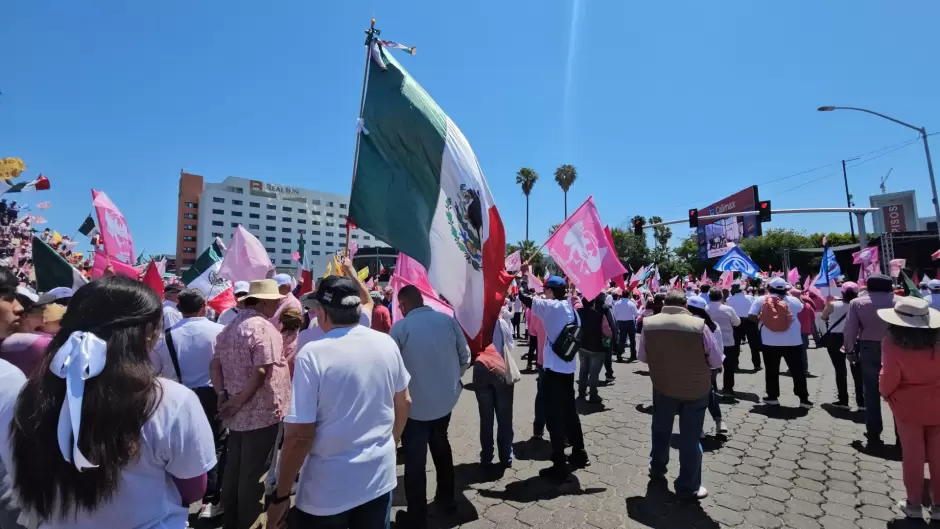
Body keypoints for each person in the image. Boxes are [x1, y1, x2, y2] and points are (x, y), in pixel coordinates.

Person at [2, 276, 216, 528]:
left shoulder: (29, 392)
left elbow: (20, 473)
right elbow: (193, 488)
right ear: (147, 333)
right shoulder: (171, 400)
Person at [264, 276, 411, 529]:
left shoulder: (313, 353)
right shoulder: (386, 343)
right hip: (379, 476)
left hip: (328, 490)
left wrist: (281, 494)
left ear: (321, 313)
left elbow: (299, 435)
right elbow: (405, 402)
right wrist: (390, 443)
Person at [209, 279, 292, 529]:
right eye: (275, 301)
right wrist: (236, 401)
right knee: (254, 474)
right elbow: (261, 370)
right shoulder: (263, 328)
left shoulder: (229, 326)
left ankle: (231, 519)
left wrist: (223, 395)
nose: (278, 304)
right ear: (265, 302)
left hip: (237, 411)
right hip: (261, 411)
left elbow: (215, 364)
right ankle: (250, 523)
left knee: (235, 469)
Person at [390, 285, 470, 528]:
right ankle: (447, 500)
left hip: (414, 409)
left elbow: (391, 371)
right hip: (445, 403)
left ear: (402, 306)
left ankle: (417, 516)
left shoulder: (401, 328)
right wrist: (451, 382)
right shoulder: (446, 321)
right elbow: (465, 356)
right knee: (441, 448)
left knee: (415, 461)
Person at [639, 290, 724, 500]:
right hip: (695, 390)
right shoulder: (699, 326)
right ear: (685, 304)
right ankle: (688, 485)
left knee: (660, 430)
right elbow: (716, 361)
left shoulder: (648, 323)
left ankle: (657, 468)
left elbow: (642, 357)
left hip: (663, 386)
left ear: (665, 303)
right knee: (691, 438)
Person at [151, 288, 227, 520]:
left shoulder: (165, 338)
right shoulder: (220, 331)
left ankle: (177, 494)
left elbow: (154, 370)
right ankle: (210, 499)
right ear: (204, 305)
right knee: (215, 445)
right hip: (213, 394)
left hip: (177, 395)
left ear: (178, 308)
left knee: (177, 445)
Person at [519, 276, 589, 481]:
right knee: (570, 415)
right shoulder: (572, 310)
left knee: (553, 418)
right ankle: (579, 453)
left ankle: (559, 463)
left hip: (553, 372)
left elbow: (524, 297)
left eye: (545, 289)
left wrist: (523, 277)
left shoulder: (551, 307)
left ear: (550, 291)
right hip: (568, 370)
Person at [877, 297, 940, 520]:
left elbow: (888, 377)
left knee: (913, 455)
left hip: (907, 407)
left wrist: (885, 393)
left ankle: (913, 504)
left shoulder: (891, 344)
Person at [844, 273, 898, 450]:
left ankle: (874, 431)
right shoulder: (901, 302)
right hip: (898, 347)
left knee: (871, 390)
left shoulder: (858, 303)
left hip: (869, 348)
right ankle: (902, 434)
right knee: (899, 391)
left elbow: (850, 330)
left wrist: (850, 351)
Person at [749, 278, 811, 409]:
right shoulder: (794, 301)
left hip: (769, 341)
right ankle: (804, 399)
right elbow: (800, 309)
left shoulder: (761, 300)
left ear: (769, 288)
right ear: (785, 289)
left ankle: (772, 397)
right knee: (797, 371)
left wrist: (764, 319)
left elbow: (751, 316)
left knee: (771, 370)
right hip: (793, 341)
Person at [473, 312, 517, 469]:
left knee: (486, 418)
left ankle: (486, 456)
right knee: (505, 417)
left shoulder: (474, 324)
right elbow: (510, 345)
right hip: (501, 369)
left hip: (481, 370)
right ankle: (506, 456)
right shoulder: (501, 323)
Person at [687, 296, 727, 437]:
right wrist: (719, 364)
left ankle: (699, 427)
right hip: (712, 365)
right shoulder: (713, 325)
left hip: (692, 366)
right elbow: (719, 347)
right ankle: (719, 421)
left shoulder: (687, 324)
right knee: (710, 393)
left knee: (695, 397)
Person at [821, 282, 864, 409]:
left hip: (836, 338)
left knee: (840, 370)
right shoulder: (861, 305)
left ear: (842, 292)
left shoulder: (832, 304)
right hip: (855, 338)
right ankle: (861, 402)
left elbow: (823, 317)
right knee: (857, 371)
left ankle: (843, 400)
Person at [705, 289, 740, 396]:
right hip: (727, 341)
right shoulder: (728, 309)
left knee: (710, 365)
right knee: (729, 367)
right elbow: (737, 322)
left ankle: (711, 387)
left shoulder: (705, 308)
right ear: (721, 297)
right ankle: (728, 388)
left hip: (710, 341)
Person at [576, 295, 608, 403]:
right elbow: (608, 332)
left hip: (582, 346)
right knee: (594, 373)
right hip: (596, 347)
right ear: (593, 303)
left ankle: (581, 393)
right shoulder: (599, 316)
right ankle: (593, 395)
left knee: (583, 370)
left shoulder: (578, 313)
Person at [727, 284, 761, 371]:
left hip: (737, 322)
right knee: (754, 345)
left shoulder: (729, 299)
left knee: (736, 345)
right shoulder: (750, 297)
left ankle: (735, 364)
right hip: (750, 321)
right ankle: (757, 364)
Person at [613, 289, 639, 361]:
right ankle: (633, 355)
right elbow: (636, 314)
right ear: (628, 295)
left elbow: (614, 314)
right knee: (632, 339)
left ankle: (619, 355)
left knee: (622, 339)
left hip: (620, 322)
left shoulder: (617, 303)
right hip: (630, 322)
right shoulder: (631, 303)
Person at [795, 290, 816, 377]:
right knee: (803, 351)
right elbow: (813, 317)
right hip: (805, 331)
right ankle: (804, 369)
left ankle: (797, 369)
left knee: (795, 352)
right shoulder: (807, 306)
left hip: (795, 332)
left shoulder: (792, 306)